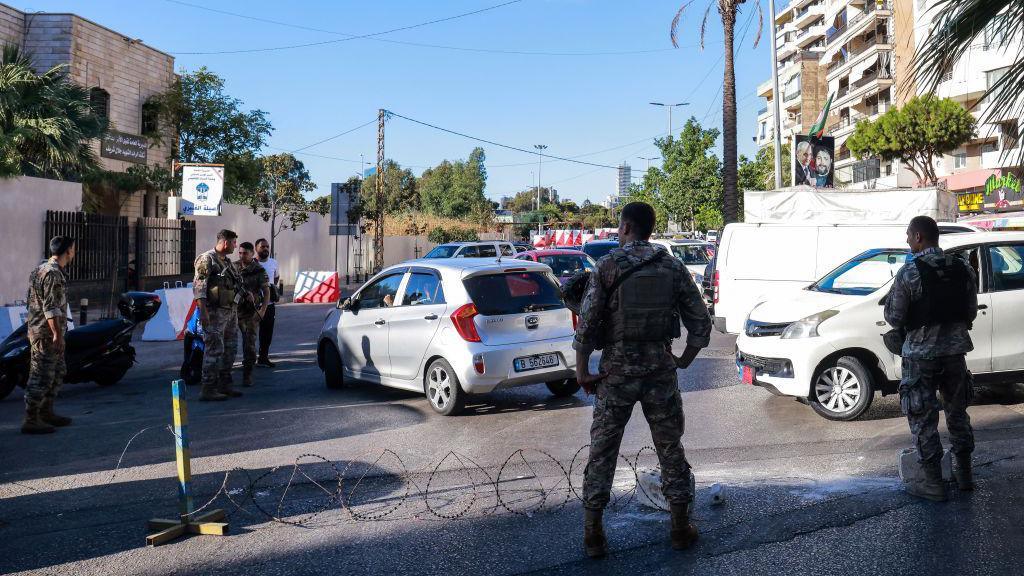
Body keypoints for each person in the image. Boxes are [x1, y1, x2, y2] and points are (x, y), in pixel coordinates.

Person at [574, 202, 712, 558]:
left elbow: (587, 325)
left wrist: (582, 371)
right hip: (659, 373)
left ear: (625, 227)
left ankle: (593, 536)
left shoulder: (606, 265)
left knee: (603, 450)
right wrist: (683, 360)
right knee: (670, 449)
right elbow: (700, 323)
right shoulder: (672, 266)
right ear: (650, 229)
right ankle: (680, 528)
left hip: (615, 373)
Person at [884, 215, 978, 501]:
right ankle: (964, 475)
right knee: (957, 413)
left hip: (921, 357)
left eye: (908, 236)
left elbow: (894, 316)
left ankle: (934, 483)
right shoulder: (962, 268)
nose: (907, 240)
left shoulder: (909, 272)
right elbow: (971, 312)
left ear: (919, 237)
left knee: (923, 417)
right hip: (955, 354)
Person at [21, 236, 75, 434]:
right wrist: (57, 335)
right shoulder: (52, 273)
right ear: (68, 251)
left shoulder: (40, 269)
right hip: (46, 334)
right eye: (73, 248)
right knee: (41, 375)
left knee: (58, 372)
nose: (74, 251)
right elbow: (50, 307)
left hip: (43, 330)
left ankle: (46, 412)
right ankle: (31, 418)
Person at [193, 229, 242, 401]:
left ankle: (225, 385)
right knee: (214, 349)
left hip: (230, 312)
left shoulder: (227, 262)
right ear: (226, 242)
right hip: (213, 313)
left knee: (230, 348)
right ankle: (208, 388)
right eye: (234, 243)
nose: (236, 246)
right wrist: (203, 312)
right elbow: (200, 287)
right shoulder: (207, 259)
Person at [233, 242, 270, 387]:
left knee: (249, 345)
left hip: (250, 313)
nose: (242, 256)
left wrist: (262, 311)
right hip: (234, 311)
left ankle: (247, 374)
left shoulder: (258, 270)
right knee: (228, 343)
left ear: (251, 254)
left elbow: (266, 292)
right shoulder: (233, 267)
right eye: (240, 253)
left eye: (245, 253)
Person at [254, 238, 281, 368]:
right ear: (256, 248)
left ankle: (263, 357)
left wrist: (270, 291)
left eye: (267, 247)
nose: (265, 249)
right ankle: (249, 358)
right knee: (250, 332)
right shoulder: (251, 263)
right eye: (262, 247)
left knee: (267, 332)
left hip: (269, 304)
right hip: (252, 305)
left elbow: (276, 277)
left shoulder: (274, 263)